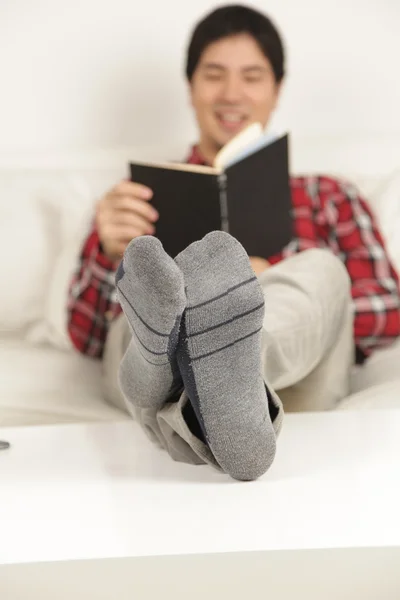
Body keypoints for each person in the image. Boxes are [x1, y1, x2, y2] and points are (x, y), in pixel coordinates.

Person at [67, 4, 400, 480]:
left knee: (321, 269)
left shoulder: (329, 195)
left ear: (277, 89)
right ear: (191, 87)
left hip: (298, 373)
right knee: (140, 304)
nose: (231, 94)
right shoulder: (138, 199)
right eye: (214, 75)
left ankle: (227, 359)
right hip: (165, 373)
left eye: (252, 76)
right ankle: (182, 364)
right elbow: (85, 335)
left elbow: (388, 309)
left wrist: (265, 294)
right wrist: (106, 252)